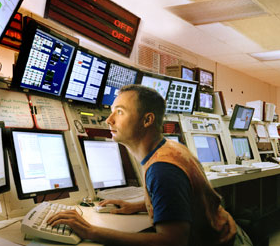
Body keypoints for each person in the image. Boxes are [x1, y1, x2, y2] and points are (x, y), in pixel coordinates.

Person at [47, 85, 252, 246]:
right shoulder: (169, 148)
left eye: (119, 112)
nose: (109, 120)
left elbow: (172, 241)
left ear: (147, 120)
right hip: (228, 233)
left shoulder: (162, 169)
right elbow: (181, 201)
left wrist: (92, 231)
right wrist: (137, 207)